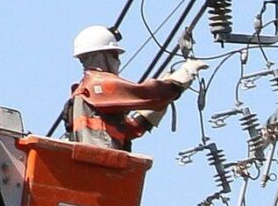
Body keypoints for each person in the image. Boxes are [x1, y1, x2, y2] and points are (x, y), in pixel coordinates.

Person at [67, 25, 206, 149]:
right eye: (115, 56)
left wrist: (162, 99)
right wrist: (185, 73)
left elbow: (131, 129)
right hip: (101, 164)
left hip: (99, 168)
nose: (118, 62)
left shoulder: (83, 94)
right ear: (101, 56)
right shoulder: (98, 85)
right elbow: (153, 96)